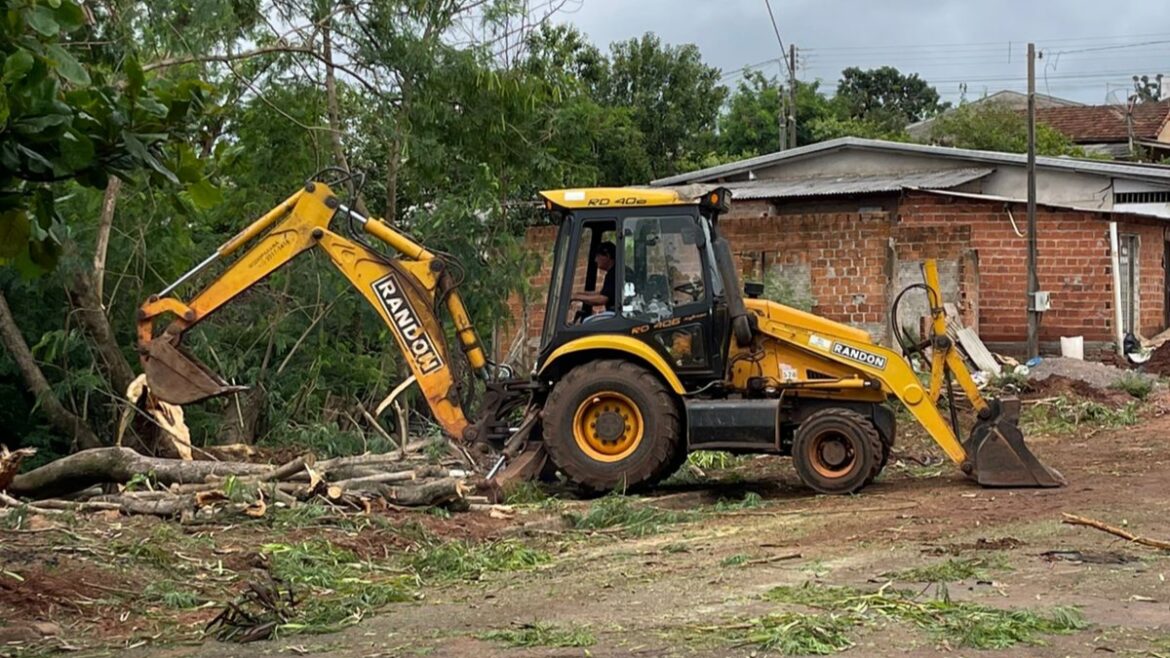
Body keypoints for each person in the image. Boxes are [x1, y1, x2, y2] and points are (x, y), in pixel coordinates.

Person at [572, 241, 616, 316]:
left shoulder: (614, 273)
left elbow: (602, 299)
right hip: (615, 313)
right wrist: (578, 294)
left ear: (607, 256)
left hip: (615, 314)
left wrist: (576, 297)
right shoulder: (614, 272)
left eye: (598, 256)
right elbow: (602, 293)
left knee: (588, 321)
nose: (595, 260)